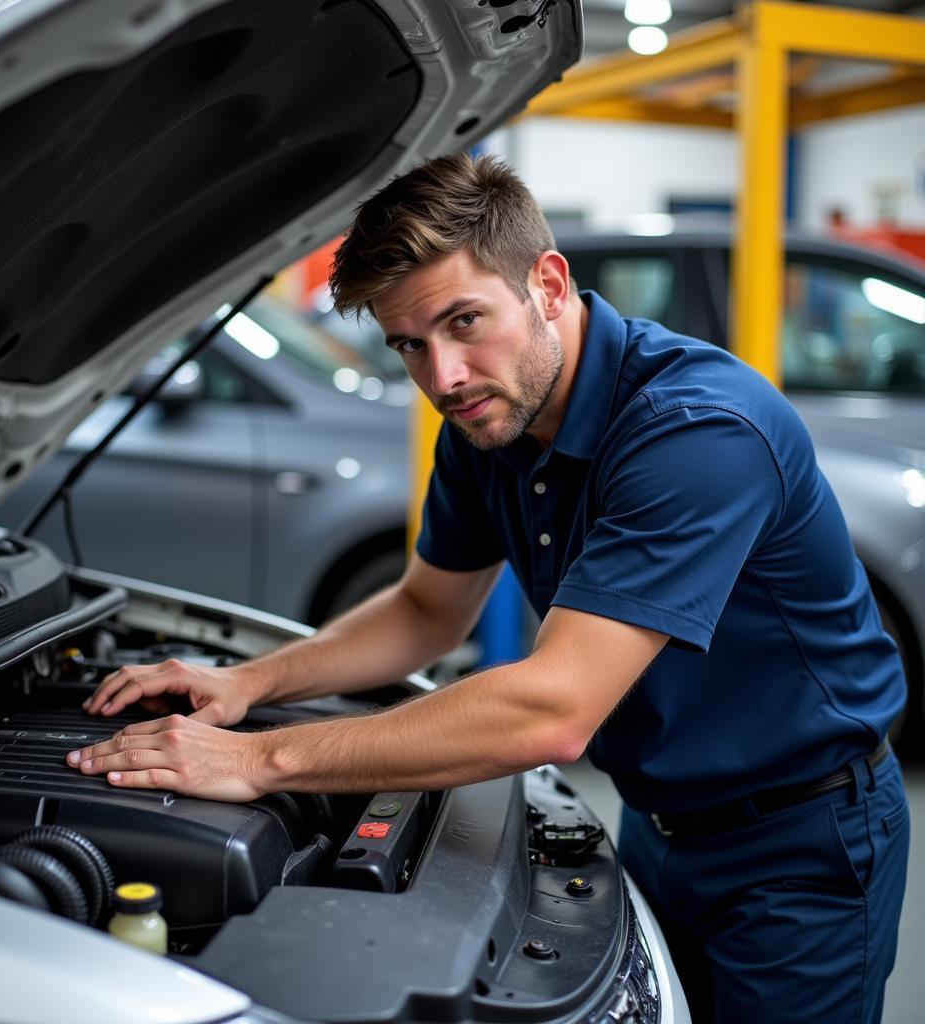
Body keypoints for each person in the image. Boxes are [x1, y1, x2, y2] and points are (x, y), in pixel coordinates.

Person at [66, 154, 909, 1023]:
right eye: (410, 346)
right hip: (660, 824)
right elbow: (426, 610)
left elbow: (554, 710)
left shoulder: (696, 432)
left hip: (803, 843)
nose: (444, 377)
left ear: (547, 283)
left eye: (465, 322)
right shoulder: (488, 423)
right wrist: (249, 682)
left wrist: (257, 759)